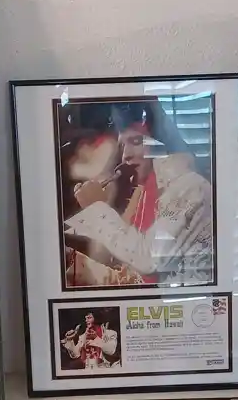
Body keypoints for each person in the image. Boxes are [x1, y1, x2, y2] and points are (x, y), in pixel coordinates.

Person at [63, 104, 214, 286]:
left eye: (136, 141)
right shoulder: (144, 189)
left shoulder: (189, 187)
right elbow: (128, 269)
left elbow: (149, 260)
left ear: (161, 143)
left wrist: (97, 208)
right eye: (122, 145)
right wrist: (72, 260)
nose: (125, 156)